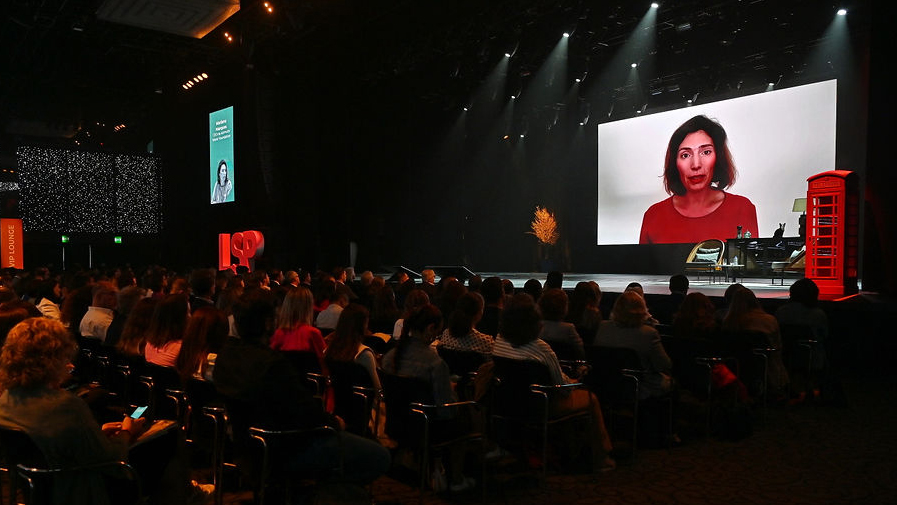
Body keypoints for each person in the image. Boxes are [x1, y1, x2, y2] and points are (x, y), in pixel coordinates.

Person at [0, 318, 145, 505]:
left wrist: (98, 433)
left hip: (33, 490)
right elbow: (112, 459)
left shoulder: (5, 400)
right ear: (54, 359)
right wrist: (126, 432)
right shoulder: (66, 405)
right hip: (77, 489)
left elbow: (43, 446)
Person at [492, 294, 615, 472]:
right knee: (591, 399)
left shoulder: (499, 342)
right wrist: (575, 381)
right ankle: (601, 457)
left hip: (506, 403)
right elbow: (562, 389)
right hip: (540, 405)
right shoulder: (541, 347)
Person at [640, 115, 758, 244]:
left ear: (718, 157)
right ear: (675, 163)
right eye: (685, 155)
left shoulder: (742, 208)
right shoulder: (653, 216)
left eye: (706, 152)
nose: (696, 164)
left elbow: (750, 262)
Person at [595, 291, 673, 399]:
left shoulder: (602, 327)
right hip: (639, 386)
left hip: (606, 383)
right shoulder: (649, 333)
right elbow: (664, 365)